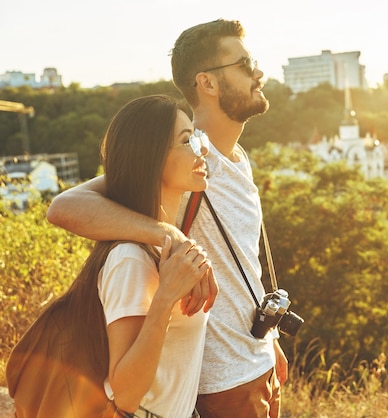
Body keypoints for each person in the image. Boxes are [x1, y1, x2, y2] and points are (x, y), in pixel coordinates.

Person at [47, 19, 288, 418]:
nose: (259, 73)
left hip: (257, 366)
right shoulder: (185, 159)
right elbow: (64, 207)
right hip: (219, 386)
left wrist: (269, 342)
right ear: (207, 83)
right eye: (245, 64)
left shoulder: (234, 160)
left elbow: (241, 266)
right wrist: (166, 233)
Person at [10, 94, 218, 417]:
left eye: (198, 137)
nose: (201, 149)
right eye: (187, 140)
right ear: (151, 158)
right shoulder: (131, 259)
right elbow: (126, 395)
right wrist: (165, 299)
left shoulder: (159, 244)